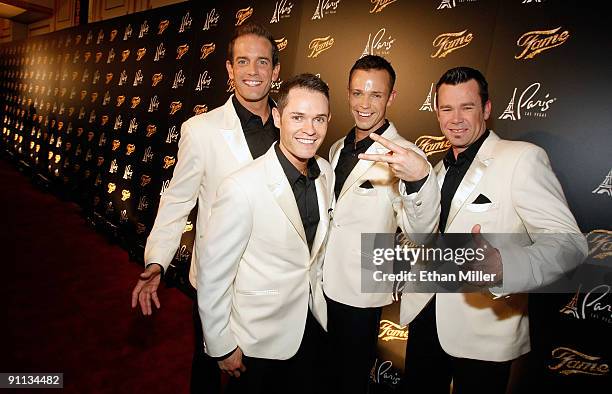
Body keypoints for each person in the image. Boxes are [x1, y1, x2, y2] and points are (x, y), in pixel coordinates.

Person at [399, 66, 588, 394]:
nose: (456, 118)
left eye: (467, 107)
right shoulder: (437, 170)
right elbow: (423, 238)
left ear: (486, 109)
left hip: (482, 331)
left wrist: (505, 265)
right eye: (447, 108)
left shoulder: (521, 159)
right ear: (437, 114)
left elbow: (570, 243)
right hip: (423, 316)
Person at [130, 22, 280, 393]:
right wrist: (157, 260)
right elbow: (177, 201)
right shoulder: (201, 130)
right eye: (243, 61)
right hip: (218, 281)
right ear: (229, 70)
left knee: (262, 379)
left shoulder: (294, 126)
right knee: (208, 372)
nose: (253, 71)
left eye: (263, 62)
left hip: (273, 284)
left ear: (275, 71)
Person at [197, 73, 333, 394]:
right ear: (277, 116)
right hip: (257, 341)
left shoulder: (325, 172)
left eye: (319, 119)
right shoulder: (241, 187)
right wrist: (221, 345)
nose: (309, 129)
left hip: (311, 328)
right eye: (298, 117)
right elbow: (214, 274)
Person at [323, 55, 440, 393]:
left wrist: (418, 180)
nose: (365, 104)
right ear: (347, 94)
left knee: (350, 380)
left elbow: (421, 231)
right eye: (358, 93)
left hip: (361, 293)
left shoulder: (406, 155)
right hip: (322, 286)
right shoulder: (335, 148)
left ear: (391, 98)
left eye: (376, 95)